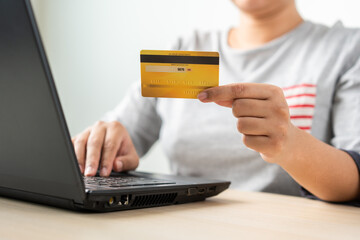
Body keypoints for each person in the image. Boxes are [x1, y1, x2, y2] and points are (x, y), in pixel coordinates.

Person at [71, 0, 360, 203]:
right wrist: (105, 144)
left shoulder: (346, 48)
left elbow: (355, 179)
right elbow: (121, 134)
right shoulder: (186, 48)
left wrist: (289, 144)